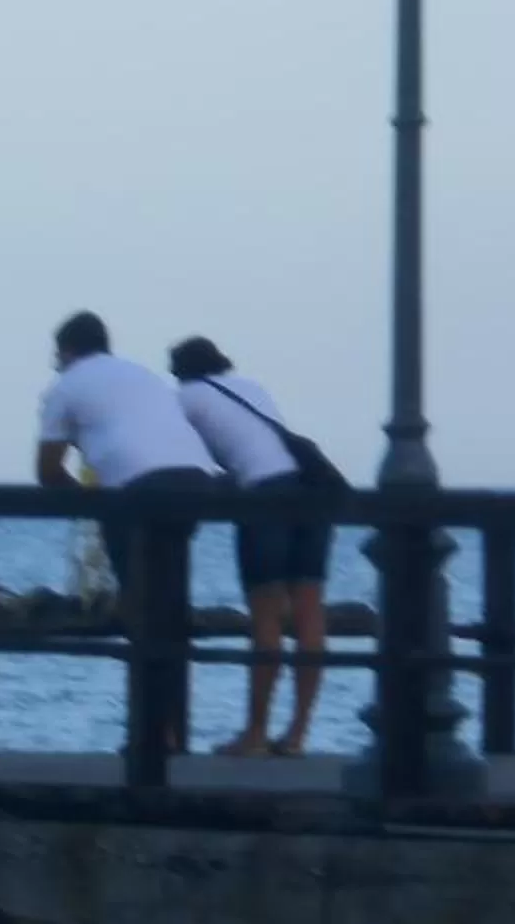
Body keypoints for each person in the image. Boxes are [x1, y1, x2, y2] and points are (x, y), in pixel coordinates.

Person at [35, 311, 213, 750]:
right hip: (196, 481)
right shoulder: (141, 376)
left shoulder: (65, 386)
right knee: (170, 609)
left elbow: (48, 472)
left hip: (138, 491)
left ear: (68, 351)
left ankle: (148, 736)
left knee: (141, 610)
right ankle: (172, 733)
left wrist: (89, 502)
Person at [169, 336, 333, 757]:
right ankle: (297, 735)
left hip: (263, 496)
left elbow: (183, 460)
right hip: (312, 491)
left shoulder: (185, 397)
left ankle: (256, 734)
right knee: (310, 617)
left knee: (266, 620)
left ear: (179, 371)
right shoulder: (251, 388)